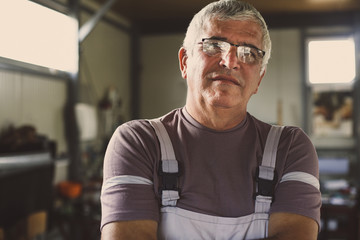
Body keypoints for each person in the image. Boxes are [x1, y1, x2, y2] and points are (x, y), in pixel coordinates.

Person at [100, 0, 321, 239]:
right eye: (215, 45)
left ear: (259, 78)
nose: (230, 61)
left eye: (249, 53)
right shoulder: (138, 142)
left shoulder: (289, 148)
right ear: (185, 61)